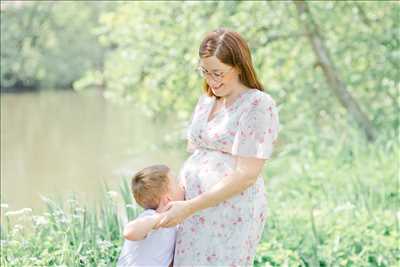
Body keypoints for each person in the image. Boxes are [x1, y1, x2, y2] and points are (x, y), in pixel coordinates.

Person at [155, 28, 280, 266]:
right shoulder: (207, 101)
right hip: (191, 208)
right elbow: (196, 153)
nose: (211, 80)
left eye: (218, 73)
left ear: (239, 66)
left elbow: (246, 175)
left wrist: (190, 207)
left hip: (229, 210)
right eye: (205, 72)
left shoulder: (257, 104)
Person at [117, 164, 184, 267]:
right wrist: (158, 219)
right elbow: (129, 231)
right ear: (168, 199)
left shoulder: (174, 226)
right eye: (177, 183)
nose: (182, 186)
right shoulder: (150, 216)